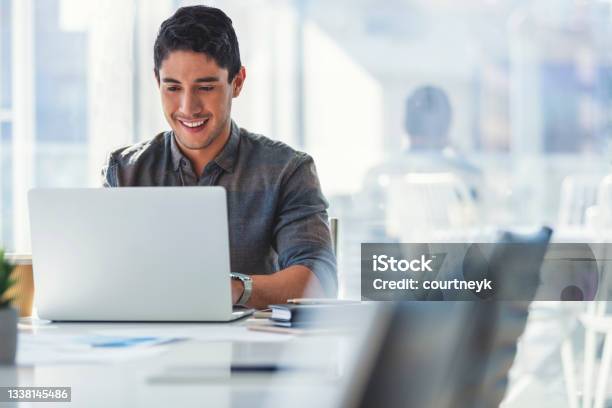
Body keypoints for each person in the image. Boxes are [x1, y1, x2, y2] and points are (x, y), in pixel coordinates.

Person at [101, 5, 336, 309]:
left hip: (250, 348)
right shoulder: (125, 171)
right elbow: (105, 277)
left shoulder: (286, 170)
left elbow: (320, 281)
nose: (188, 107)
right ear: (157, 82)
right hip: (151, 345)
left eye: (206, 87)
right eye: (173, 87)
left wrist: (233, 289)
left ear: (237, 82)